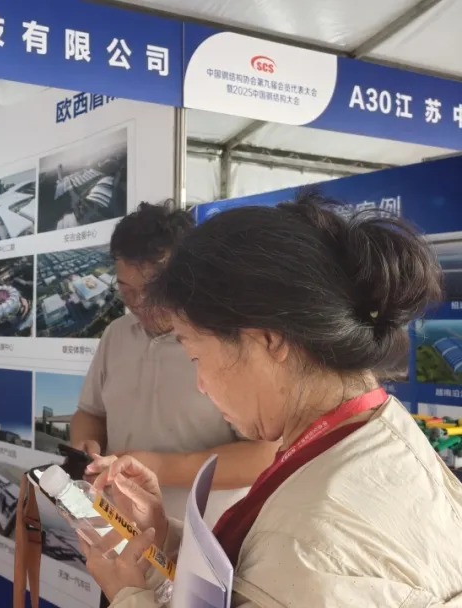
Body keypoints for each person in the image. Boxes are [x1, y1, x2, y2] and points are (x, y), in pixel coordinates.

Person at [82, 192, 462, 607]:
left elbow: (289, 567)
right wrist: (166, 538)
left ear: (267, 341)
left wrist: (128, 597)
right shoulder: (374, 433)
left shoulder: (310, 543)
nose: (200, 385)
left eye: (195, 356)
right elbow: (253, 577)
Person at [70, 202, 277, 527]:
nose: (139, 303)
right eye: (126, 290)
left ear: (186, 276)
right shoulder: (117, 334)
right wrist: (85, 444)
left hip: (203, 535)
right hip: (119, 527)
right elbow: (90, 413)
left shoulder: (227, 340)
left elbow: (264, 456)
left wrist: (160, 467)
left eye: (152, 290)